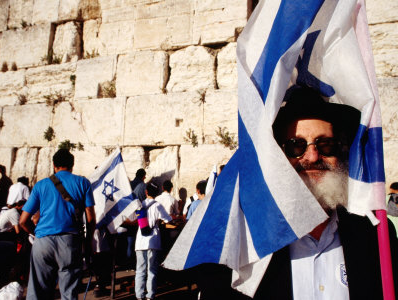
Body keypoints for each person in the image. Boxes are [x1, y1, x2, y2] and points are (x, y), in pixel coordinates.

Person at [199, 86, 398, 299]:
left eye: (325, 144)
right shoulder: (243, 242)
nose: (312, 156)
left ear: (340, 152)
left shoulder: (372, 235)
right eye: (296, 146)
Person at [19, 149, 96, 300]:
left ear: (54, 165)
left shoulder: (41, 185)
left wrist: (36, 233)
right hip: (69, 241)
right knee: (68, 292)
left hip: (43, 242)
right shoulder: (83, 183)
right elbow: (90, 217)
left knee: (38, 291)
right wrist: (87, 241)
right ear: (72, 165)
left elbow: (22, 221)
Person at [124, 182, 172, 300]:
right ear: (157, 193)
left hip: (140, 241)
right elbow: (168, 219)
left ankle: (139, 296)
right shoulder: (157, 206)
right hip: (153, 241)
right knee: (152, 270)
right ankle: (150, 295)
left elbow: (131, 219)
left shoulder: (139, 205)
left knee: (140, 270)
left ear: (146, 192)